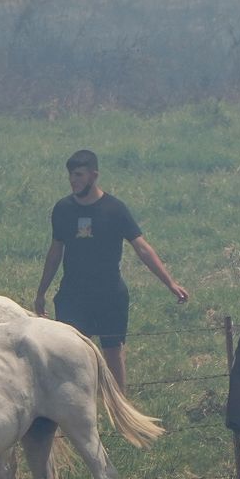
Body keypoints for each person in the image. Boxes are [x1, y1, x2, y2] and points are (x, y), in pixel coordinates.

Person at [34, 149, 189, 390]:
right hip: (73, 294)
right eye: (71, 175)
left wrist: (170, 283)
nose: (73, 180)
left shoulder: (114, 209)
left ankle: (119, 409)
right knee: (71, 352)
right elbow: (55, 252)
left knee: (113, 351)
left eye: (79, 175)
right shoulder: (63, 209)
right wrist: (41, 292)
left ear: (93, 175)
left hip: (109, 294)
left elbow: (143, 249)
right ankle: (77, 407)